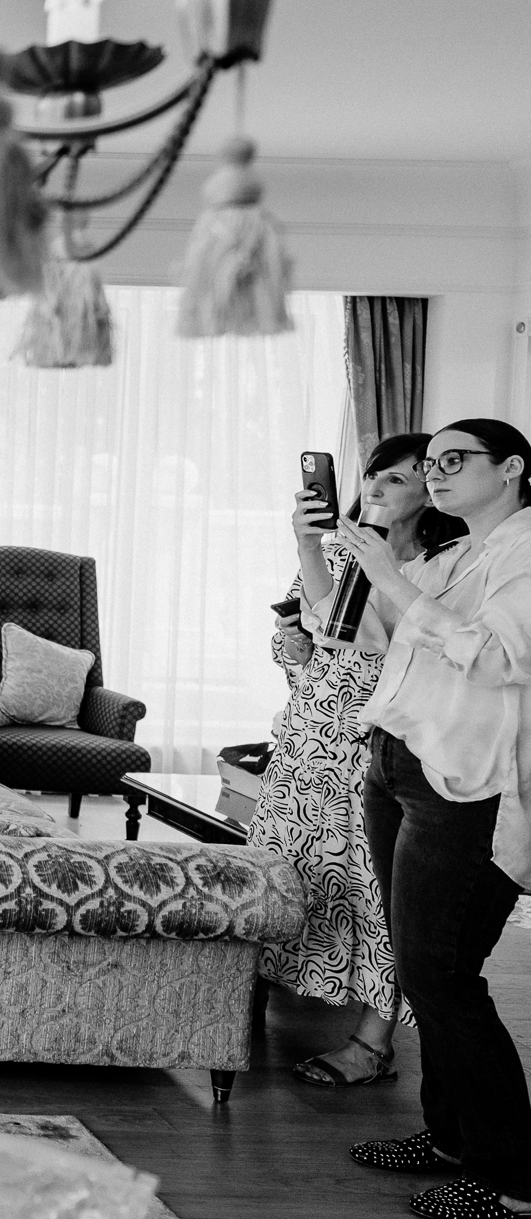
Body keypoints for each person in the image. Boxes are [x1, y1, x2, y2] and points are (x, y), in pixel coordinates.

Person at [308, 419, 531, 1219]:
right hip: (399, 763)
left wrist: (397, 586)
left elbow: (501, 656)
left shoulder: (526, 554)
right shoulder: (456, 554)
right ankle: (449, 1140)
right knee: (425, 969)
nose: (435, 473)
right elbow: (355, 635)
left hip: (465, 782)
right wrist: (326, 554)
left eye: (454, 461)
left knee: (443, 975)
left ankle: (513, 1179)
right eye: (429, 463)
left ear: (510, 469)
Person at [266, 434, 463, 1087]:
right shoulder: (336, 552)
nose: (378, 487)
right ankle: (253, 994)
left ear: (431, 496)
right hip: (309, 745)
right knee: (285, 873)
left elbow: (418, 651)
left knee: (380, 896)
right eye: (374, 475)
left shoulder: (451, 567)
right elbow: (318, 639)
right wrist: (295, 629)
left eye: (400, 480)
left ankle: (371, 1043)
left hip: (385, 746)